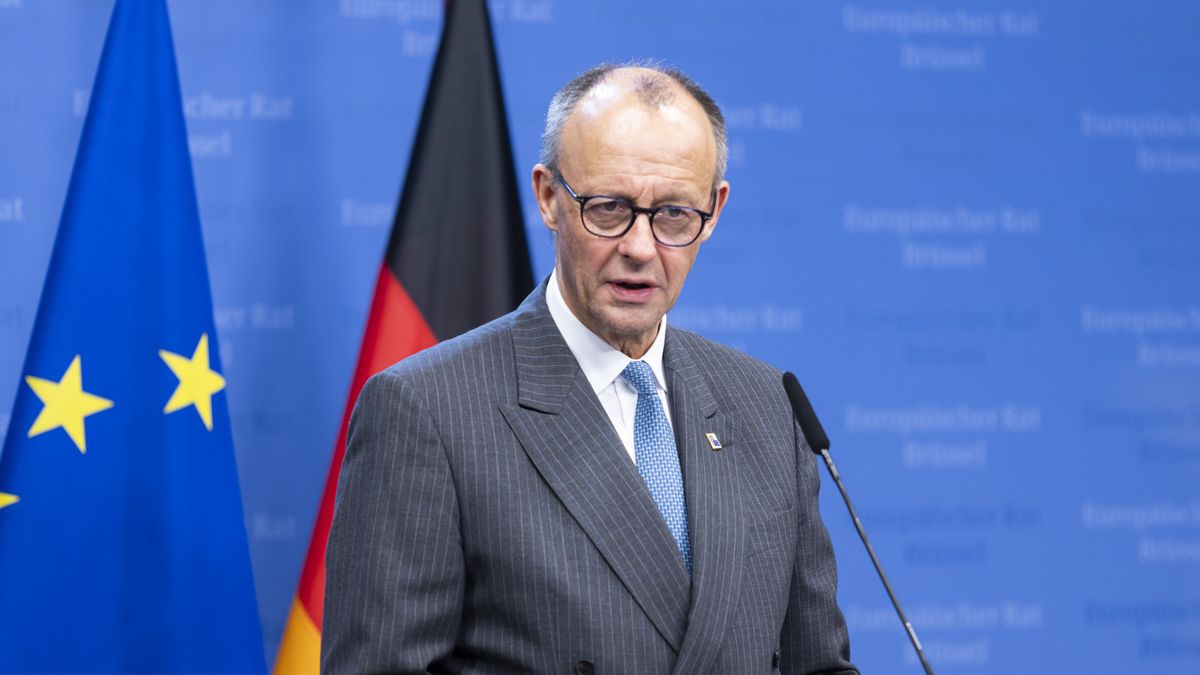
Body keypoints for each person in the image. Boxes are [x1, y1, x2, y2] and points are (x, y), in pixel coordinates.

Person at [322, 63, 858, 675]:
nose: (640, 247)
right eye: (608, 209)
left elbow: (818, 665)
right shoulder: (427, 411)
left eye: (674, 215)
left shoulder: (767, 406)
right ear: (549, 197)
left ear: (714, 212)